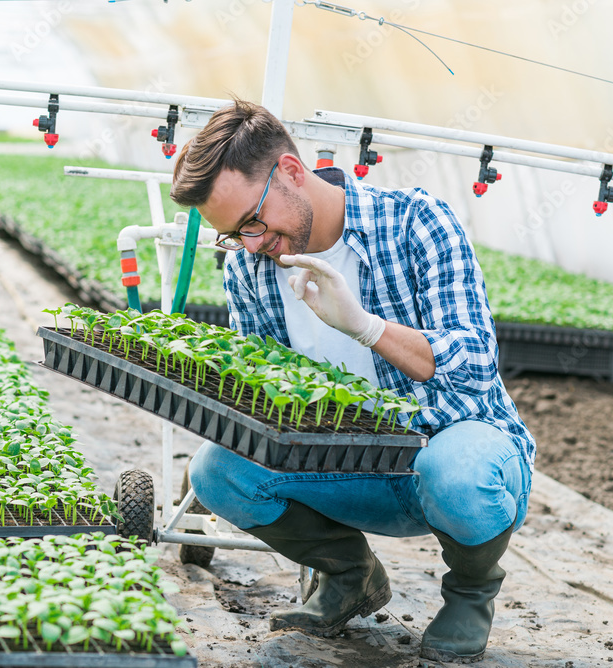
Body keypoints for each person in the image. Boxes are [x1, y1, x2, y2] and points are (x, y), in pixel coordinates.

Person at [169, 99, 535, 664]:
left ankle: (470, 592)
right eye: (232, 234)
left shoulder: (416, 222)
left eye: (252, 222)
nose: (250, 244)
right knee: (217, 471)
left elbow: (474, 368)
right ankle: (349, 575)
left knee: (459, 472)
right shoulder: (250, 267)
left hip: (442, 454)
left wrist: (365, 327)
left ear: (291, 171)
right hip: (349, 468)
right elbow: (270, 399)